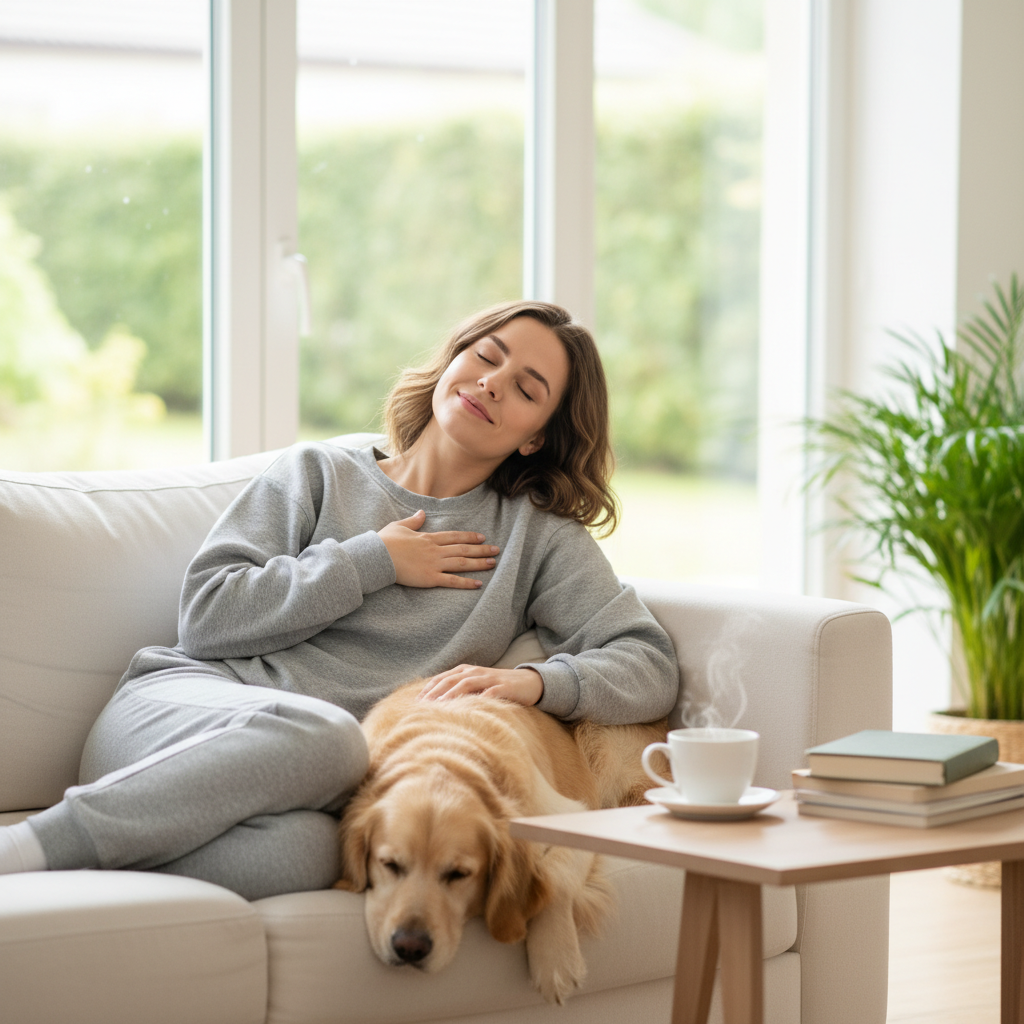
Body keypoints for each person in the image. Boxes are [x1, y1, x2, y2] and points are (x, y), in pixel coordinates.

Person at [0, 300, 679, 899]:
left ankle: (98, 852)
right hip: (174, 717)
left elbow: (648, 663)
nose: (492, 383)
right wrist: (373, 560)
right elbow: (205, 617)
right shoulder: (319, 473)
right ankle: (29, 847)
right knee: (330, 738)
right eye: (486, 356)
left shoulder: (536, 538)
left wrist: (533, 684)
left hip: (301, 782)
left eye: (526, 388)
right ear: (452, 363)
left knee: (308, 853)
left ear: (536, 434)